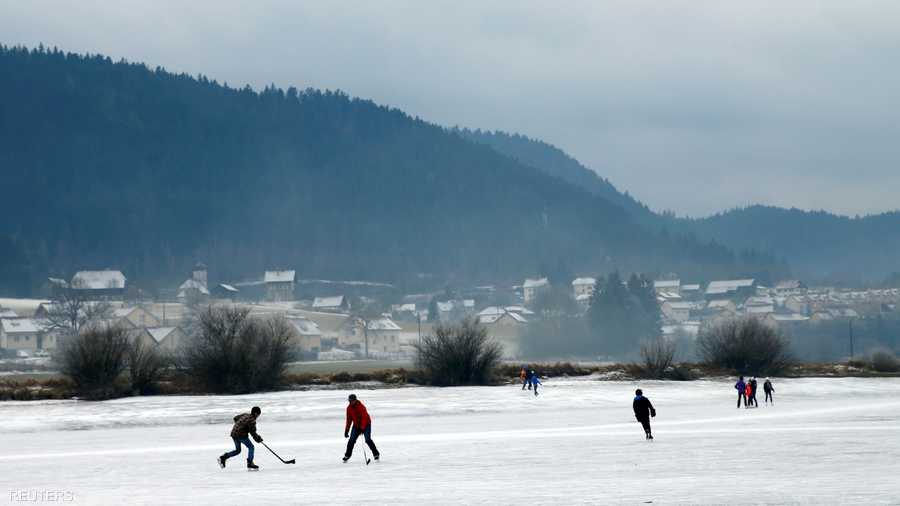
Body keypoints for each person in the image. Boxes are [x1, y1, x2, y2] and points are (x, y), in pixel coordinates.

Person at [218, 406, 263, 470]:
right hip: (241, 435)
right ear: (256, 413)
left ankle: (223, 457)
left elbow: (235, 418)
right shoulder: (252, 420)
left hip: (234, 433)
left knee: (238, 450)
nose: (258, 416)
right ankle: (250, 463)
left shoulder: (245, 414)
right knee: (251, 447)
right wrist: (258, 439)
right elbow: (253, 433)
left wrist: (240, 426)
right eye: (258, 415)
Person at [344, 394, 380, 463]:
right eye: (349, 401)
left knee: (367, 439)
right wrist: (346, 430)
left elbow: (364, 418)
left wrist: (362, 428)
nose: (350, 402)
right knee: (351, 440)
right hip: (356, 426)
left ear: (355, 400)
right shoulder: (349, 408)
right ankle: (347, 455)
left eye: (352, 401)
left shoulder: (361, 406)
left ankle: (376, 454)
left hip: (366, 424)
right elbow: (349, 420)